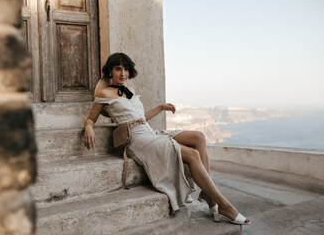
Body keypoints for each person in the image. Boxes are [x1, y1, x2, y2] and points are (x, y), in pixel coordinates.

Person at [84, 53, 250, 225]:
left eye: (126, 69)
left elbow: (140, 118)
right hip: (137, 140)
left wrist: (160, 107)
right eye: (118, 69)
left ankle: (209, 194)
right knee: (192, 155)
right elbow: (91, 119)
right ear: (110, 71)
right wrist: (89, 127)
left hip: (149, 132)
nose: (123, 73)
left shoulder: (131, 90)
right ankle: (222, 204)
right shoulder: (104, 94)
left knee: (198, 137)